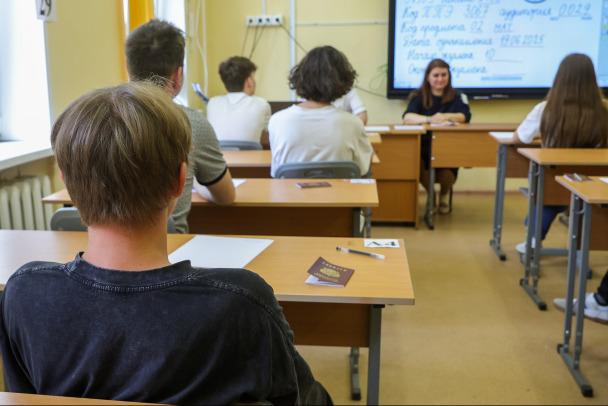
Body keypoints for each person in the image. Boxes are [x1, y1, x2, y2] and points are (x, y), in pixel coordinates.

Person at [0, 81, 333, 405]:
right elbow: (300, 397)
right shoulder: (241, 303)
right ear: (180, 181)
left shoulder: (23, 292)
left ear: (68, 186)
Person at [125, 19, 235, 233]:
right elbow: (226, 196)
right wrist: (196, 183)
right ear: (177, 75)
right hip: (169, 247)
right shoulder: (191, 124)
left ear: (129, 70)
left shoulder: (97, 119)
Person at [513, 53, 608, 254]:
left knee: (545, 193)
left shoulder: (545, 109)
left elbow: (520, 138)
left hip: (554, 179)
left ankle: (533, 241)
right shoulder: (605, 110)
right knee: (557, 191)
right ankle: (585, 245)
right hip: (595, 183)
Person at [269, 46, 374, 178]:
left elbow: (276, 172)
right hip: (341, 191)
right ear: (343, 80)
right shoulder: (354, 123)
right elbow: (362, 169)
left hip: (291, 191)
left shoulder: (277, 121)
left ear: (300, 76)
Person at [402, 58, 471, 214]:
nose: (440, 79)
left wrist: (445, 116)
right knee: (415, 161)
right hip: (424, 145)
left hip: (448, 146)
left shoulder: (458, 96)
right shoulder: (418, 95)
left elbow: (465, 116)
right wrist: (429, 119)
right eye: (436, 75)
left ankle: (444, 194)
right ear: (428, 77)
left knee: (449, 164)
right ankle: (431, 194)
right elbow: (407, 118)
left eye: (444, 75)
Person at [207, 56, 271, 143]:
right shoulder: (261, 104)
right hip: (252, 152)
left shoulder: (212, 103)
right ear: (249, 81)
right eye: (253, 77)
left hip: (218, 152)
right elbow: (268, 138)